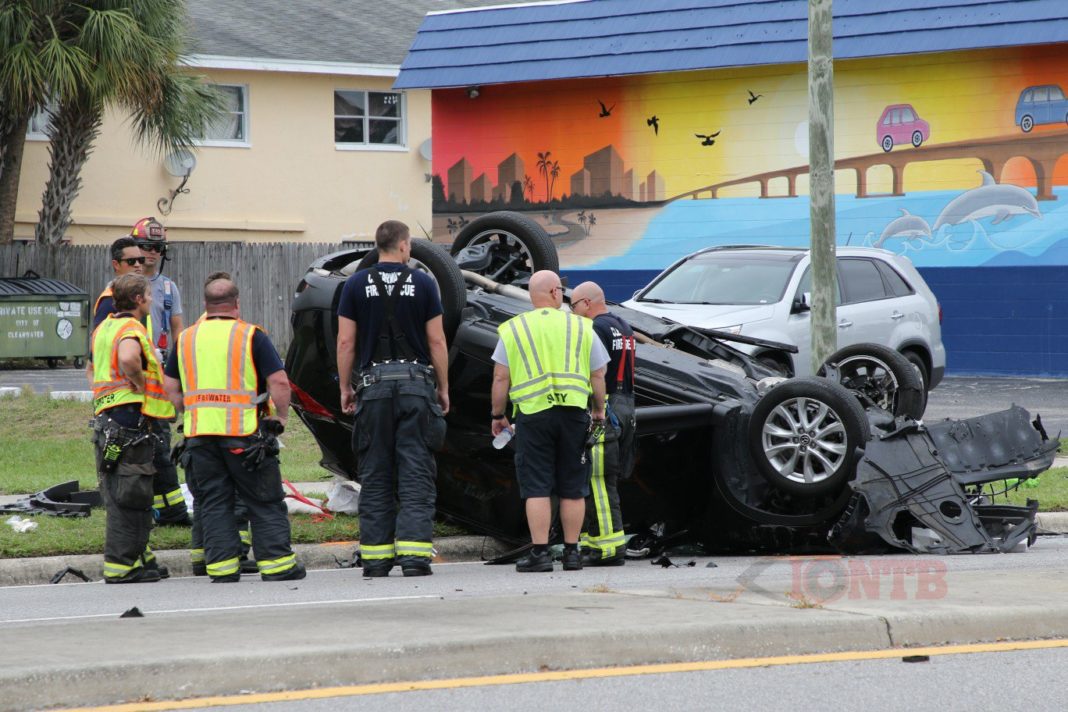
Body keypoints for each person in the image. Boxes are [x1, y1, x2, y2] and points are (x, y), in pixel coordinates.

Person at [164, 277, 304, 583]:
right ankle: (278, 565)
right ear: (236, 304)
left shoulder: (186, 338)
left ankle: (222, 568)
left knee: (214, 501)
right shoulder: (251, 335)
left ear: (205, 305)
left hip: (199, 437)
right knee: (263, 499)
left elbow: (171, 387)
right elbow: (279, 381)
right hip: (243, 436)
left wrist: (189, 411)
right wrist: (281, 417)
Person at [336, 220, 450, 578]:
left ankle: (376, 560)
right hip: (417, 388)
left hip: (373, 388)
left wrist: (345, 387)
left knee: (376, 473)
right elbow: (436, 342)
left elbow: (345, 343)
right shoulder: (424, 282)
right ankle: (415, 557)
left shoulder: (354, 284)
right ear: (403, 246)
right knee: (415, 471)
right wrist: (443, 387)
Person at [490, 270, 608, 573]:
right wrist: (598, 411)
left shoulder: (513, 329)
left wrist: (497, 415)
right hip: (573, 415)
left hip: (532, 416)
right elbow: (598, 374)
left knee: (537, 486)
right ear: (556, 293)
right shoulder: (581, 327)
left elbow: (501, 376)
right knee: (573, 485)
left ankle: (540, 554)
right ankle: (572, 554)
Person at [92, 231, 190, 526]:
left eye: (142, 258)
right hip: (130, 404)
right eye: (131, 260)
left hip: (128, 404)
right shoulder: (115, 303)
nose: (140, 263)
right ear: (116, 265)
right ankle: (163, 515)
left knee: (155, 456)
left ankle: (168, 512)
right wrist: (140, 383)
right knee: (144, 459)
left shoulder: (135, 298)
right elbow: (121, 355)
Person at [89, 274, 172, 583]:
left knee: (119, 491)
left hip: (107, 420)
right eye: (148, 296)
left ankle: (140, 556)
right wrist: (139, 384)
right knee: (132, 493)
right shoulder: (130, 328)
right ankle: (122, 565)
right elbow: (127, 358)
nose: (150, 301)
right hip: (128, 420)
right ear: (138, 300)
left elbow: (92, 369)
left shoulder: (103, 328)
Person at [176, 272, 255, 576]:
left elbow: (176, 383)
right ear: (233, 302)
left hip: (196, 429)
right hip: (232, 427)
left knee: (207, 499)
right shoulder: (237, 333)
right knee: (232, 498)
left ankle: (202, 557)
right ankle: (233, 553)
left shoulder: (192, 334)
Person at [570, 281, 638, 566]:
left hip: (605, 409)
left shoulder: (594, 328)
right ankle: (594, 541)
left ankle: (608, 548)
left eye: (573, 307)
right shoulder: (624, 326)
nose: (573, 313)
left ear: (586, 303)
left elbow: (596, 372)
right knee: (605, 479)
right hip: (626, 406)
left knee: (598, 480)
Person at [91, 237, 144, 330]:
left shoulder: (140, 295)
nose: (137, 264)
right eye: (131, 261)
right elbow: (101, 338)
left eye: (140, 260)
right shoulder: (110, 299)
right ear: (116, 264)